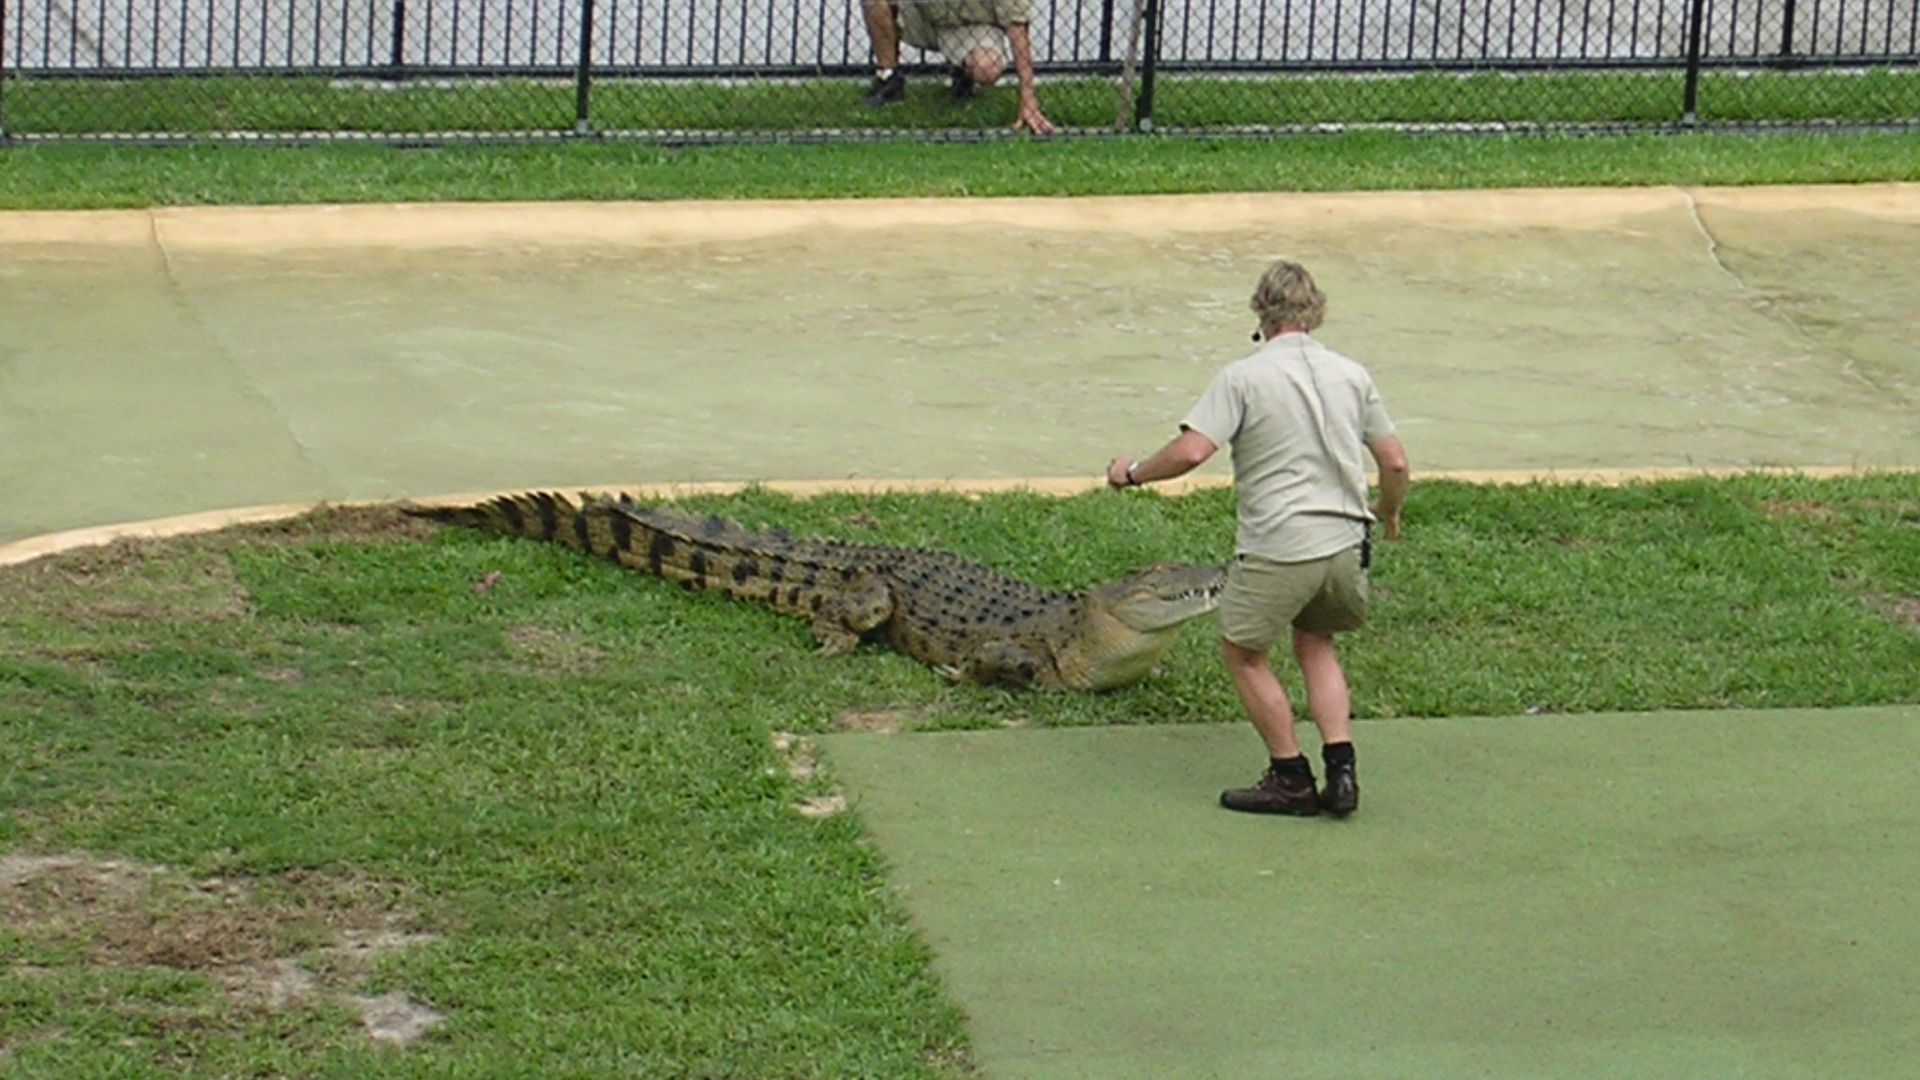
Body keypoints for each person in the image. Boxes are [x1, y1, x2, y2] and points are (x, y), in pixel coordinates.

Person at [1105, 260, 1409, 819]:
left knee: (1243, 653)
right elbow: (1394, 462)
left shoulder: (1242, 377)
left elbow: (1193, 452)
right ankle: (1341, 770)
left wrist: (1133, 473)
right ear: (1314, 310)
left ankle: (1290, 776)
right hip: (1345, 540)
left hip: (1281, 543)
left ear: (1261, 312)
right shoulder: (1351, 373)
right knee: (1317, 643)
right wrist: (1387, 515)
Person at [861, 0, 1055, 134]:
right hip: (925, 18)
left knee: (988, 67)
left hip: (973, 28)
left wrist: (1028, 99)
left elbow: (1017, 27)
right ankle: (889, 78)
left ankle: (964, 72)